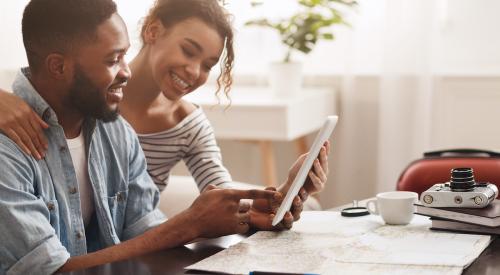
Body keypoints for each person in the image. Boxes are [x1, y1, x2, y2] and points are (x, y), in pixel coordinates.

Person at [0, 0, 281, 273]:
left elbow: (147, 232)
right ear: (58, 67)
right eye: (113, 60)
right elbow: (51, 271)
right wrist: (189, 224)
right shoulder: (8, 150)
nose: (126, 72)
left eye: (124, 55)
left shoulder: (117, 132)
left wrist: (228, 217)